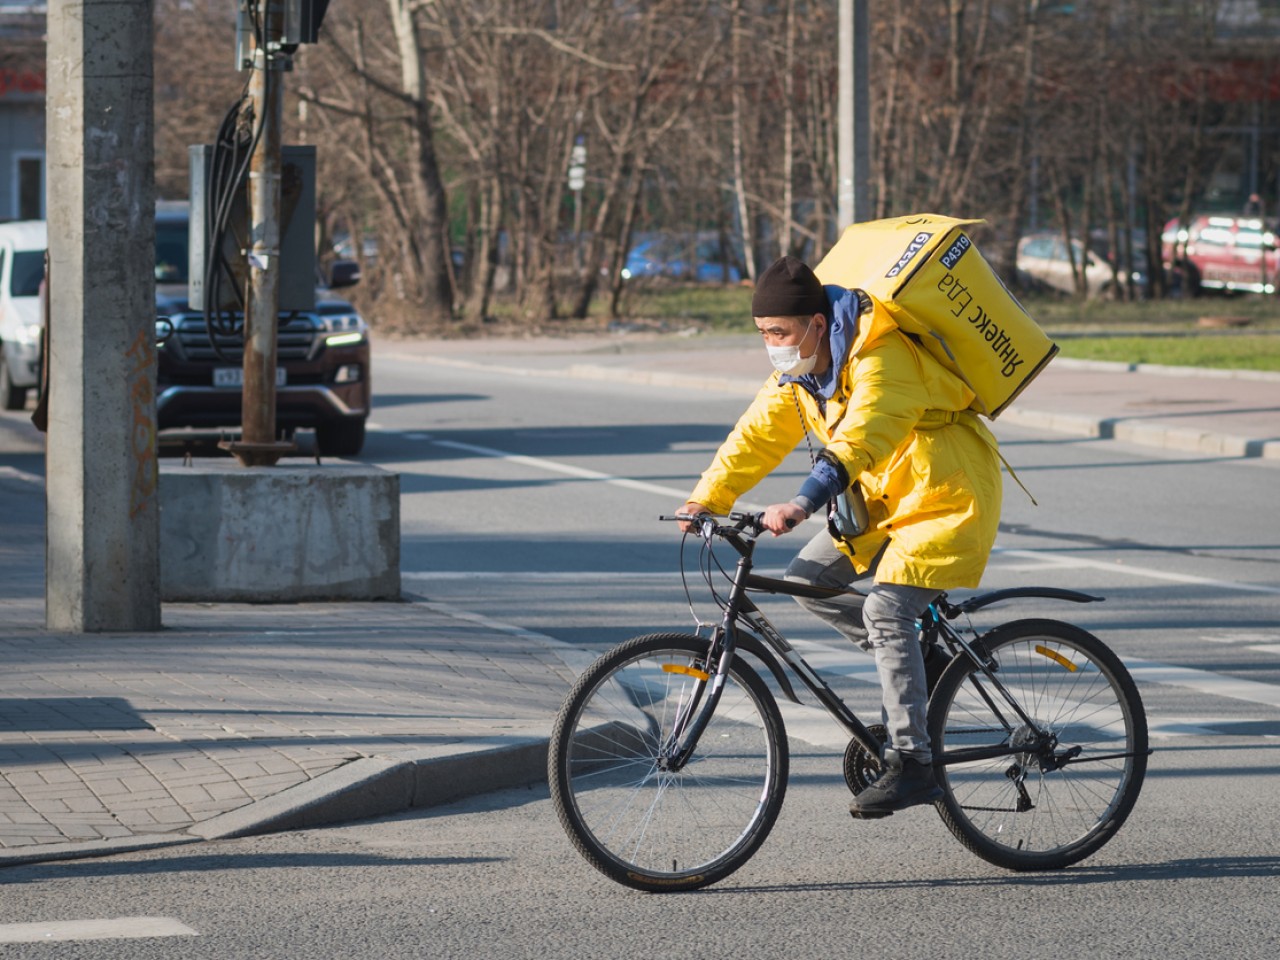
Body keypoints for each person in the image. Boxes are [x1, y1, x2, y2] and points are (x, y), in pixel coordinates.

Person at [677, 255, 1003, 817]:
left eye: (779, 332)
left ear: (818, 324)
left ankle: (913, 760)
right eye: (762, 334)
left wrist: (804, 499)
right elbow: (756, 433)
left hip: (944, 496)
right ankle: (921, 669)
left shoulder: (884, 353)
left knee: (885, 611)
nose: (771, 345)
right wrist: (708, 497)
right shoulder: (803, 373)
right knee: (807, 580)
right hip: (881, 503)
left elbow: (862, 437)